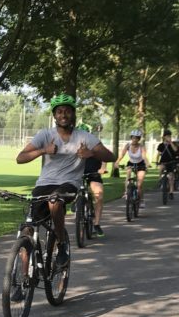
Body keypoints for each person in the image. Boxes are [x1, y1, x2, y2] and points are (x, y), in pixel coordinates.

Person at [16, 96, 115, 265]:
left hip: (69, 183)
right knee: (27, 229)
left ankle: (61, 243)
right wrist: (43, 150)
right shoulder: (45, 135)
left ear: (73, 114)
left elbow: (110, 156)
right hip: (44, 184)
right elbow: (20, 158)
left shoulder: (84, 137)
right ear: (54, 115)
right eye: (59, 111)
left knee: (55, 201)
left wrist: (91, 153)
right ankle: (24, 279)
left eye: (67, 111)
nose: (63, 115)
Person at [78, 123, 107, 236]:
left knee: (99, 195)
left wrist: (102, 168)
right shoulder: (72, 145)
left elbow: (104, 157)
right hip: (77, 174)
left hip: (93, 173)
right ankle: (78, 204)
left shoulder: (96, 144)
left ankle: (97, 224)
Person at [115, 129, 148, 207]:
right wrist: (117, 162)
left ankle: (141, 200)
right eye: (133, 137)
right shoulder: (128, 145)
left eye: (137, 138)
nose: (135, 139)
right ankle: (126, 192)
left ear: (139, 139)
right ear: (131, 138)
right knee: (128, 176)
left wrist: (147, 163)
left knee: (139, 184)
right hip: (131, 163)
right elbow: (122, 155)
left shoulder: (141, 147)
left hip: (141, 164)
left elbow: (144, 156)